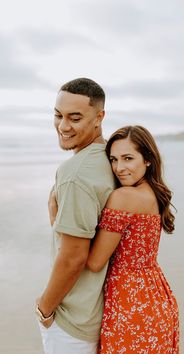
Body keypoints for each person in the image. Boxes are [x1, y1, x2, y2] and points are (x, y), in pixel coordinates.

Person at [35, 78, 115, 354]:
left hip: (74, 321)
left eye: (75, 117)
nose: (63, 126)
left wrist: (45, 307)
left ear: (99, 116)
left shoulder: (76, 173)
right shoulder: (113, 160)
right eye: (57, 115)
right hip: (102, 313)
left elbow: (73, 257)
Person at [86, 125, 179, 353]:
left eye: (128, 158)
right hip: (157, 297)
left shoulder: (123, 196)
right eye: (113, 159)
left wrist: (56, 220)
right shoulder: (154, 193)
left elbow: (95, 262)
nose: (119, 168)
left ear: (147, 159)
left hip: (130, 304)